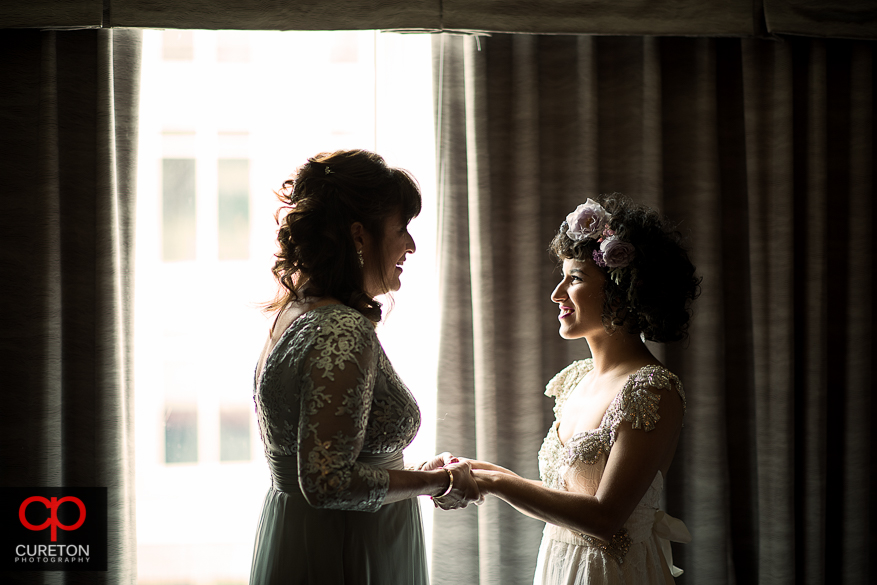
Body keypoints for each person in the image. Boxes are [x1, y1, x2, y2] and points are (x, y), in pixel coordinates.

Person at [439, 194, 700, 584]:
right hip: (560, 568)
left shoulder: (652, 389)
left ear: (621, 288)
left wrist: (495, 483)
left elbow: (604, 518)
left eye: (574, 278)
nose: (556, 294)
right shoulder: (575, 380)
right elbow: (560, 495)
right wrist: (472, 469)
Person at [248, 149, 480, 585]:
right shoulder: (340, 327)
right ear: (359, 235)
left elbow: (329, 460)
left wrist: (413, 475)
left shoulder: (296, 310)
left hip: (308, 536)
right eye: (401, 229)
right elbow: (328, 483)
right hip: (348, 548)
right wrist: (439, 483)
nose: (410, 245)